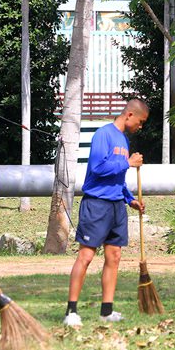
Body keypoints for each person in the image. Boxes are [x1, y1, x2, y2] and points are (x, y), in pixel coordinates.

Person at [63, 99, 149, 327]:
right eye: (140, 122)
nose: (140, 126)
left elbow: (118, 179)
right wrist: (128, 163)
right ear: (129, 115)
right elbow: (98, 168)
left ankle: (106, 311)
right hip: (97, 204)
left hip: (116, 206)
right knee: (86, 256)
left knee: (114, 256)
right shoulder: (103, 134)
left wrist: (130, 200)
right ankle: (71, 312)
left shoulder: (123, 140)